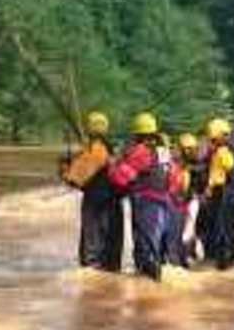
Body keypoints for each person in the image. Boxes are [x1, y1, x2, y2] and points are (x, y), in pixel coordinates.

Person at [108, 112, 180, 281]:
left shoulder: (139, 152)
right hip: (166, 203)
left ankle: (148, 291)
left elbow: (120, 178)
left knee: (145, 250)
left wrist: (114, 163)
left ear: (137, 134)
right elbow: (175, 178)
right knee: (159, 250)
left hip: (146, 205)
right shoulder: (163, 151)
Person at [62, 111, 123, 272]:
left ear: (90, 129)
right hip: (114, 205)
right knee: (111, 256)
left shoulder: (96, 151)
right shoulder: (112, 150)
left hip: (96, 204)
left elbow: (74, 179)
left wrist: (66, 166)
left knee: (92, 254)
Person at [201, 117, 234, 270]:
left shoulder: (222, 151)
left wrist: (207, 192)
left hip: (232, 197)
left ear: (220, 136)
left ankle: (222, 273)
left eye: (214, 140)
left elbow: (215, 180)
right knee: (233, 236)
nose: (213, 143)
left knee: (223, 237)